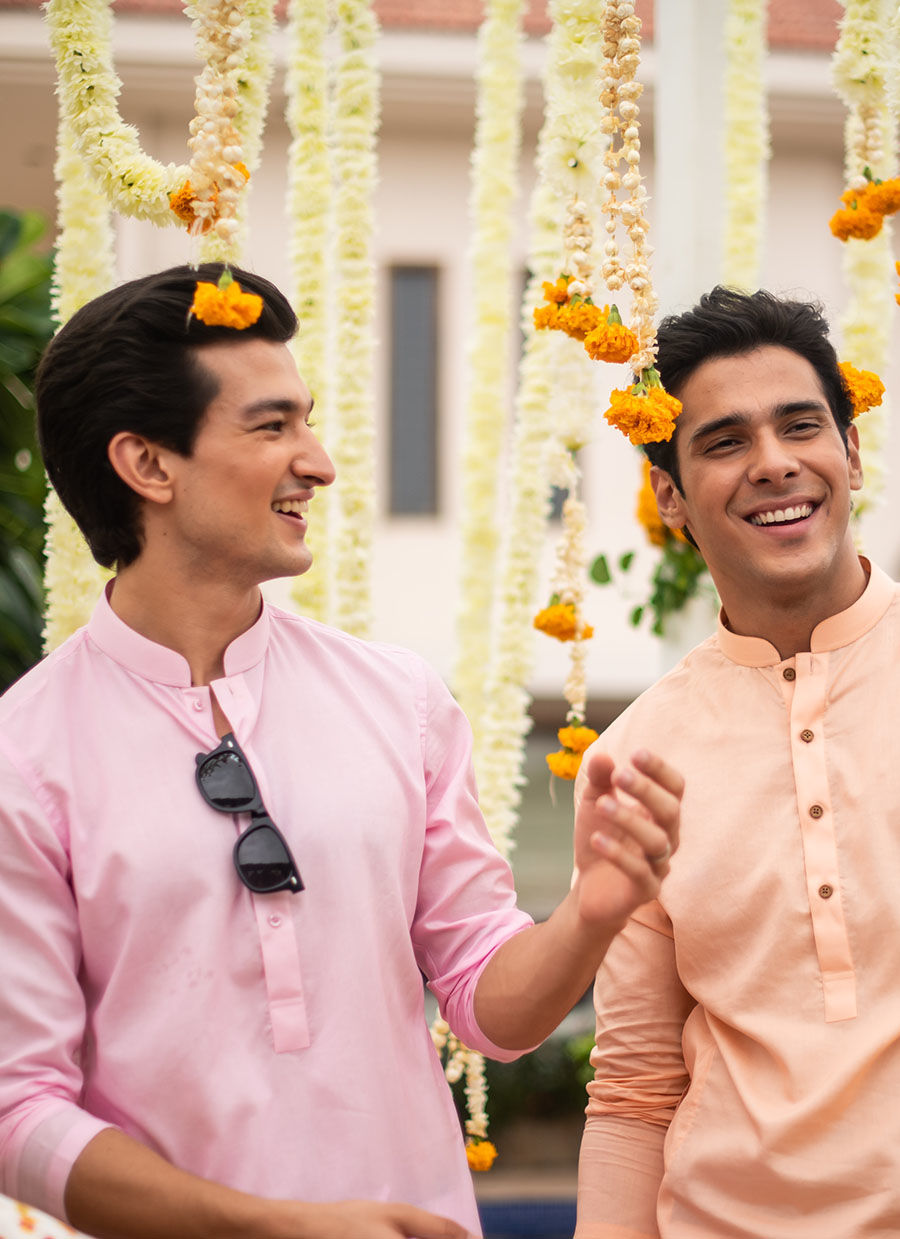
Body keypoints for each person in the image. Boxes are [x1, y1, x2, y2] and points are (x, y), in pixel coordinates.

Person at [0, 263, 682, 1239]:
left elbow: (491, 1008)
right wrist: (273, 1228)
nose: (318, 463)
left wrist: (592, 912)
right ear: (147, 464)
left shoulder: (399, 700)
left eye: (308, 423)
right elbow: (20, 1112)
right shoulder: (23, 757)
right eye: (271, 426)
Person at [574, 284, 900, 1237]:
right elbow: (634, 1088)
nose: (774, 463)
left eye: (801, 426)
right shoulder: (637, 757)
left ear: (850, 452)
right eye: (725, 442)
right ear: (670, 497)